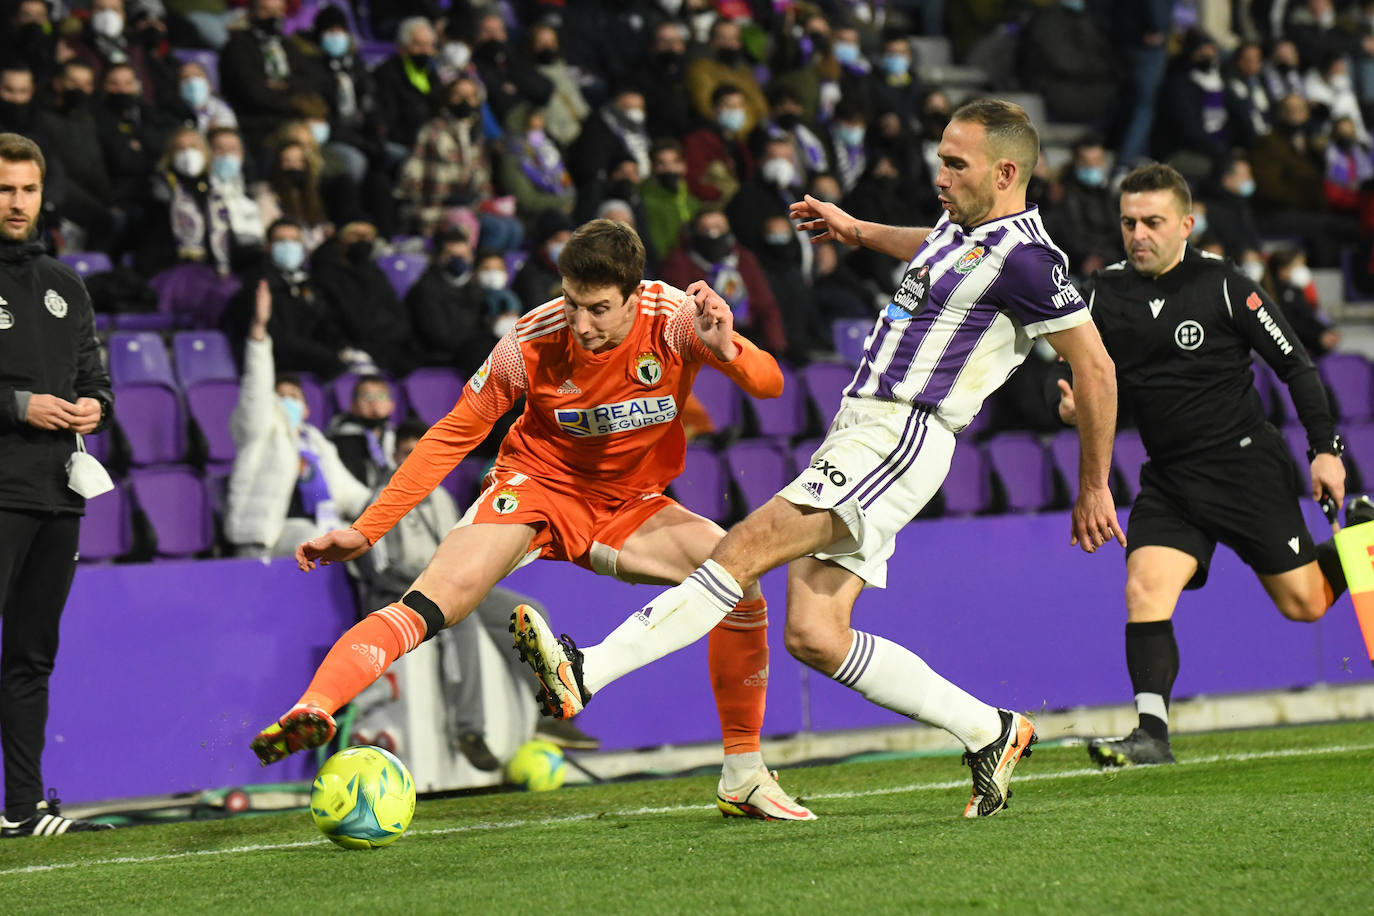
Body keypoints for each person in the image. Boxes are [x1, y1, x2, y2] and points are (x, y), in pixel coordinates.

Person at [511, 99, 1124, 819]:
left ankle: (587, 673)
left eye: (956, 164)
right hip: (864, 431)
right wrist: (858, 230)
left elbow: (1097, 368)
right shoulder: (962, 230)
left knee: (743, 549)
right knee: (814, 634)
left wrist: (1093, 486)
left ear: (1007, 172)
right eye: (941, 158)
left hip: (901, 435)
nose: (941, 174)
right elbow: (927, 246)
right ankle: (990, 731)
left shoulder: (1027, 258)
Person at [253, 218, 816, 821]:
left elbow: (771, 384)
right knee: (432, 602)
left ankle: (743, 774)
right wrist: (368, 529)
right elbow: (450, 435)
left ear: (634, 293)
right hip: (534, 489)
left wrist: (729, 346)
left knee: (739, 579)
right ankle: (315, 705)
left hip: (630, 505)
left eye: (599, 309)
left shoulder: (678, 318)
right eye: (573, 303)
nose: (581, 323)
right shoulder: (530, 341)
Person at [1055, 163, 1364, 768]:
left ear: (1185, 225)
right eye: (1128, 222)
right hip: (1170, 477)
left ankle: (1359, 542)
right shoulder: (1099, 294)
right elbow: (1063, 376)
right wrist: (1066, 403)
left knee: (1303, 604)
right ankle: (1151, 735)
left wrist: (1326, 450)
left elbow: (1296, 366)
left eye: (1152, 222)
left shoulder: (1225, 285)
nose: (1138, 233)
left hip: (1245, 467)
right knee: (1144, 587)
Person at [349, 419, 597, 771]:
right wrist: (433, 583)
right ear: (393, 456)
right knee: (459, 623)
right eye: (406, 454)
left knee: (527, 612)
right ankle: (469, 731)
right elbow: (381, 567)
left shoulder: (440, 498)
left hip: (448, 586)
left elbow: (463, 549)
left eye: (419, 453)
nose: (413, 461)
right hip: (403, 596)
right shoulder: (380, 498)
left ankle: (548, 714)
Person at [0, 133, 116, 837]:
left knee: (32, 656)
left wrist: (95, 407)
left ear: (44, 196)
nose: (16, 202)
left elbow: (95, 380)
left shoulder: (64, 286)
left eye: (27, 190)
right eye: (5, 189)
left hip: (58, 494)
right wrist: (18, 406)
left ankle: (19, 808)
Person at [225, 279, 370, 557]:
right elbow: (256, 390)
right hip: (269, 534)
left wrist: (383, 503)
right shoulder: (261, 430)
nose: (288, 401)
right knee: (320, 539)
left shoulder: (316, 441)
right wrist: (258, 331)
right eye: (281, 396)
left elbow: (346, 489)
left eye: (295, 396)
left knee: (360, 541)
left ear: (307, 409)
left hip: (318, 526)